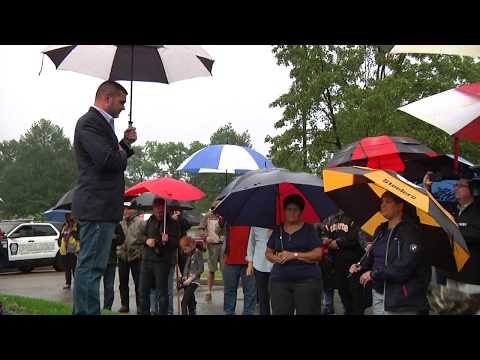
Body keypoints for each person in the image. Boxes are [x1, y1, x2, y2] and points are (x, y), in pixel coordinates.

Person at [72, 80, 137, 315]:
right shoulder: (90, 123)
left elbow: (110, 155)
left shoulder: (101, 125)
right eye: (121, 102)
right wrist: (122, 151)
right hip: (97, 207)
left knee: (92, 267)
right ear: (107, 98)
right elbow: (109, 161)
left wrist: (124, 144)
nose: (123, 107)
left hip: (101, 208)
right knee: (90, 268)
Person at [349, 191, 431, 315]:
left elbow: (405, 266)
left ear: (400, 206)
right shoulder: (380, 229)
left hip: (400, 298)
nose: (383, 205)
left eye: (388, 201)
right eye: (382, 202)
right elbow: (375, 254)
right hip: (378, 293)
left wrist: (373, 274)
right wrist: (362, 263)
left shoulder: (411, 232)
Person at [265, 194, 324, 315]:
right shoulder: (278, 230)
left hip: (306, 281)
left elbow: (318, 254)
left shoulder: (309, 229)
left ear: (300, 212)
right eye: (289, 209)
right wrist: (276, 258)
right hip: (279, 281)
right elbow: (268, 253)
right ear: (284, 211)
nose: (292, 213)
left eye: (295, 210)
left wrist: (295, 255)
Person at [321, 209, 367, 315]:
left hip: (354, 264)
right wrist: (326, 240)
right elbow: (323, 234)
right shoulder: (330, 218)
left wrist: (338, 242)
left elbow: (357, 237)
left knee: (356, 296)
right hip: (337, 264)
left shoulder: (355, 216)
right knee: (343, 292)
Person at [140, 198, 180, 315]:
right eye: (156, 212)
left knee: (162, 293)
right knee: (143, 291)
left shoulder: (172, 223)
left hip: (162, 261)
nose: (158, 214)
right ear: (153, 209)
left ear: (166, 209)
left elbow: (175, 243)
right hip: (147, 259)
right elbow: (142, 236)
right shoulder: (150, 220)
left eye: (161, 212)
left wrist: (166, 241)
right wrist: (147, 240)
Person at [118, 204, 146, 314]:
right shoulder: (120, 222)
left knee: (138, 283)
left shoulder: (140, 222)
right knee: (123, 282)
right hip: (122, 256)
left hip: (136, 256)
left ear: (133, 210)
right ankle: (124, 305)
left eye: (127, 209)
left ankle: (140, 306)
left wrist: (140, 242)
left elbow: (147, 237)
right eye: (124, 209)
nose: (125, 211)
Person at [223, 224, 256, 315]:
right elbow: (219, 225)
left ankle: (248, 313)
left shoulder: (253, 216)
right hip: (230, 260)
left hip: (249, 261)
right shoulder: (229, 214)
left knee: (250, 292)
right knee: (229, 291)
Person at [199, 200, 225, 303]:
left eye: (217, 207)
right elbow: (201, 228)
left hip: (222, 245)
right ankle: (208, 292)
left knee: (225, 270)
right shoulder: (208, 216)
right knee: (211, 270)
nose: (215, 209)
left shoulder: (224, 215)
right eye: (214, 207)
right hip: (212, 246)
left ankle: (226, 293)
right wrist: (205, 236)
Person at [246, 227, 273, 315]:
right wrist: (250, 263)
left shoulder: (280, 223)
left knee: (278, 299)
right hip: (259, 265)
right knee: (263, 299)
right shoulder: (256, 223)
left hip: (277, 265)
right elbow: (251, 243)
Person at [178, 236, 204, 315]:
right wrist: (184, 277)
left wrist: (191, 279)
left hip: (194, 281)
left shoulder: (198, 253)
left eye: (185, 249)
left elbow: (201, 269)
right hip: (187, 280)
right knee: (190, 303)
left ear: (191, 245)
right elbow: (186, 267)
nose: (184, 251)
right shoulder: (189, 254)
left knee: (184, 303)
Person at [102, 223, 125, 311]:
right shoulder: (96, 221)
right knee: (94, 285)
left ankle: (107, 308)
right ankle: (94, 307)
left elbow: (122, 239)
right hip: (97, 259)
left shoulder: (115, 224)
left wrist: (115, 237)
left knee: (109, 286)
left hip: (110, 259)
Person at [59, 214, 80, 290]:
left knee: (74, 268)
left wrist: (73, 233)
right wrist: (61, 240)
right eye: (66, 217)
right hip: (65, 249)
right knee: (67, 268)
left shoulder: (77, 226)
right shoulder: (64, 226)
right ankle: (68, 283)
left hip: (73, 250)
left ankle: (77, 283)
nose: (68, 219)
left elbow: (79, 237)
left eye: (69, 217)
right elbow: (60, 235)